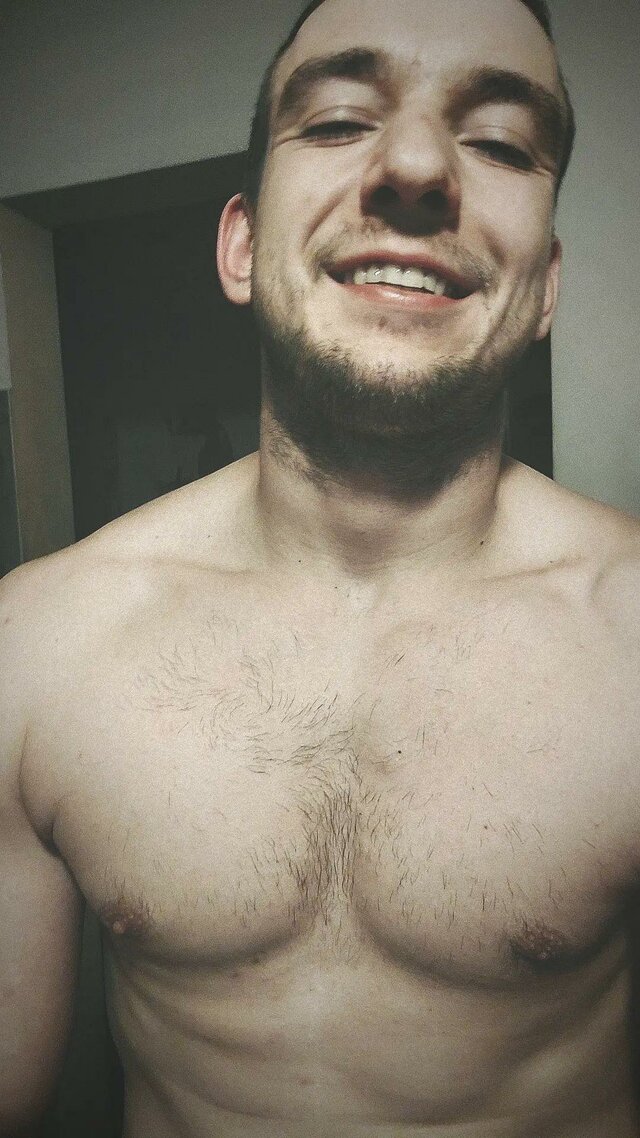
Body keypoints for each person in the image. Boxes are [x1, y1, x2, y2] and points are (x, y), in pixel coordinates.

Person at [2, 0, 640, 1134]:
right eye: (340, 120)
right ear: (241, 246)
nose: (416, 166)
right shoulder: (35, 646)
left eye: (500, 141)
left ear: (545, 285)